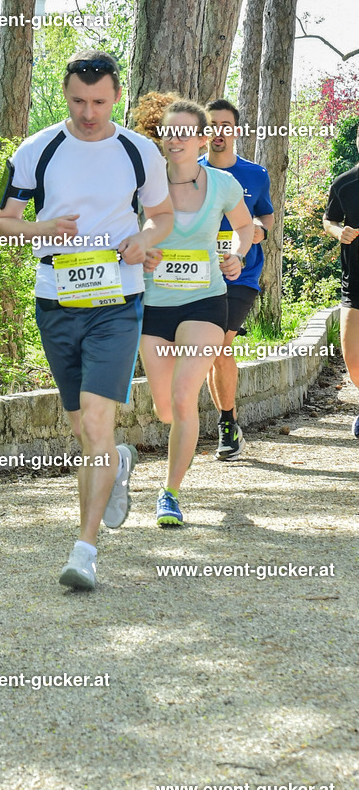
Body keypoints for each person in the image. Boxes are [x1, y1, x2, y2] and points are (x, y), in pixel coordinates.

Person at [0, 49, 173, 590]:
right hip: (56, 301)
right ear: (65, 95)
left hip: (118, 302)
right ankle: (114, 462)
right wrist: (41, 229)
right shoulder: (38, 149)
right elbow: (4, 223)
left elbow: (162, 217)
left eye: (98, 101)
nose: (88, 111)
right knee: (84, 430)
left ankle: (85, 549)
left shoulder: (140, 151)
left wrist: (143, 240)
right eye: (78, 100)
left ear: (116, 96)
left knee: (95, 423)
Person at [140, 100, 253, 526]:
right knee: (166, 409)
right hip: (154, 305)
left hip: (205, 301)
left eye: (185, 132)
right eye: (169, 132)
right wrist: (139, 251)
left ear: (203, 139)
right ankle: (176, 441)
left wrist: (236, 254)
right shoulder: (145, 183)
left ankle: (169, 494)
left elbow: (244, 227)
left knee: (186, 396)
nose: (175, 139)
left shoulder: (223, 184)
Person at [200, 99, 274, 460]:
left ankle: (226, 428)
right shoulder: (187, 171)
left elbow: (266, 217)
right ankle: (228, 423)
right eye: (212, 125)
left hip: (243, 273)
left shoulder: (256, 174)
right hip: (199, 273)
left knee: (219, 343)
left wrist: (258, 231)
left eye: (225, 125)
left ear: (236, 131)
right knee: (216, 351)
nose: (219, 132)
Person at [323, 135, 359, 435]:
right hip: (355, 279)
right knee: (353, 357)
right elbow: (329, 220)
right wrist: (339, 232)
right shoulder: (344, 183)